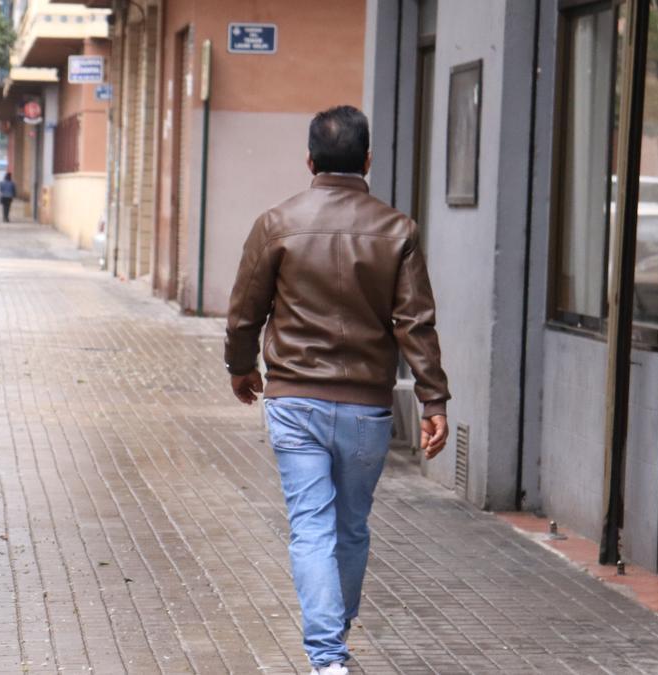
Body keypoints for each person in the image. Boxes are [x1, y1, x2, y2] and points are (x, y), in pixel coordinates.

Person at [224, 105, 450, 675]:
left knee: (311, 528)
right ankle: (333, 643)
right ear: (367, 159)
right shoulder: (398, 230)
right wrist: (432, 399)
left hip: (294, 402)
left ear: (309, 160)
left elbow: (244, 310)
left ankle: (327, 657)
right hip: (366, 410)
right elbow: (415, 322)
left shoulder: (277, 223)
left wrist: (241, 367)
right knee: (349, 528)